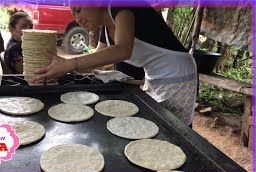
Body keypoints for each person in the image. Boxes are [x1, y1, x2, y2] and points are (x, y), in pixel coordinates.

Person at [32, 3, 197, 126]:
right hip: (154, 76)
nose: (77, 19)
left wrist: (70, 64)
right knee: (156, 123)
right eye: (74, 14)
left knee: (173, 127)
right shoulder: (105, 27)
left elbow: (122, 50)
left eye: (78, 9)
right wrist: (63, 70)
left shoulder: (121, 7)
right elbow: (99, 62)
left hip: (177, 74)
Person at [4, 9, 33, 74]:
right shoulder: (15, 48)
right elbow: (27, 73)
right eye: (23, 27)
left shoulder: (21, 45)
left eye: (31, 27)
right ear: (11, 29)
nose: (29, 30)